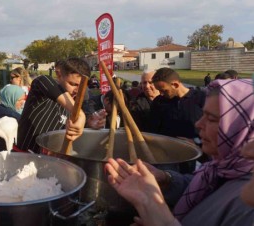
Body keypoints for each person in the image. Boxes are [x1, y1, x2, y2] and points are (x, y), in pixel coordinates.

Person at [105, 79, 254, 226]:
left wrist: (161, 220)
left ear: (245, 128)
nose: (198, 124)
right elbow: (205, 188)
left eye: (212, 119)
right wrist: (167, 179)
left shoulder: (249, 202)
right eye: (203, 115)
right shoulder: (221, 168)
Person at [16, 58, 89, 153]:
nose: (77, 91)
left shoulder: (73, 103)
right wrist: (80, 115)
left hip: (51, 161)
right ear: (59, 75)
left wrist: (89, 122)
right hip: (25, 157)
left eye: (81, 86)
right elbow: (43, 80)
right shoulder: (41, 91)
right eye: (72, 84)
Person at [150, 67, 205, 139]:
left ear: (175, 85)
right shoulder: (158, 102)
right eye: (159, 90)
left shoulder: (201, 98)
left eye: (164, 90)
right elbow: (153, 130)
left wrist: (197, 142)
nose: (161, 94)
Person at [0, 84, 26, 152]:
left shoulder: (1, 107)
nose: (22, 102)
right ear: (10, 99)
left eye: (23, 99)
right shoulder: (8, 114)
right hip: (2, 152)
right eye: (19, 100)